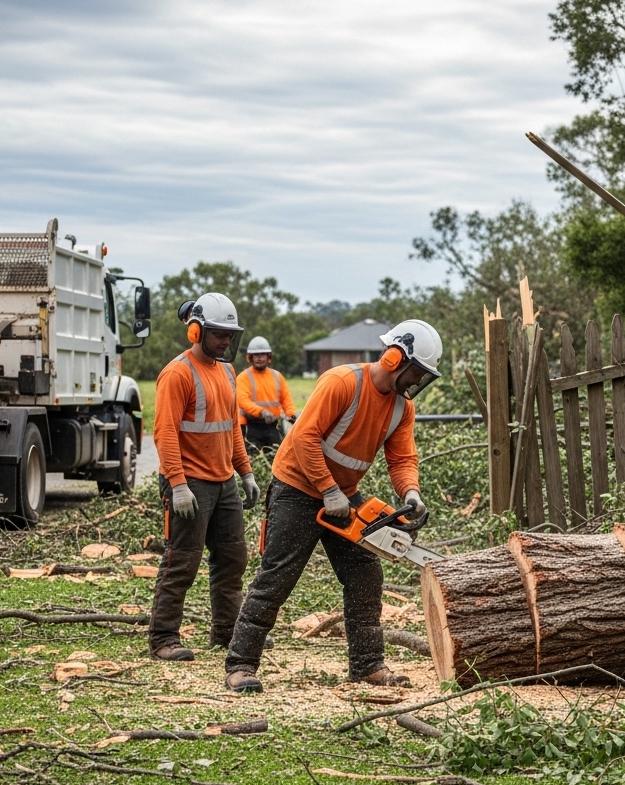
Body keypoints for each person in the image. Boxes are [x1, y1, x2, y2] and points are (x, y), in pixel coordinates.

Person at [223, 320, 443, 693]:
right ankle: (240, 665)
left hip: (343, 492)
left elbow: (402, 458)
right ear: (394, 358)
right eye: (415, 373)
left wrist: (411, 493)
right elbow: (306, 436)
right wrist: (328, 490)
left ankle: (367, 665)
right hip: (296, 485)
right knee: (278, 575)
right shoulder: (343, 382)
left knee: (364, 572)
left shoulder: (400, 409)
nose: (415, 382)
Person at [149, 293, 262, 661]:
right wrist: (178, 485)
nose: (225, 341)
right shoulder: (177, 374)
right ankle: (164, 638)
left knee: (232, 559)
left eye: (230, 334)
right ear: (197, 331)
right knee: (182, 560)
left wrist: (244, 472)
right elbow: (164, 433)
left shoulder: (227, 371)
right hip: (189, 482)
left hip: (223, 480)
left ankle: (226, 632)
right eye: (218, 334)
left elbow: (231, 429)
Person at [236, 336, 297, 453]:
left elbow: (286, 400)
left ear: (268, 357)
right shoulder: (244, 377)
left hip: (272, 427)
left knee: (275, 459)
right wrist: (261, 412)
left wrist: (292, 415)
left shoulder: (277, 376)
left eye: (262, 354)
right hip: (251, 427)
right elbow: (243, 400)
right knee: (253, 460)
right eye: (256, 355)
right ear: (250, 357)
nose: (259, 358)